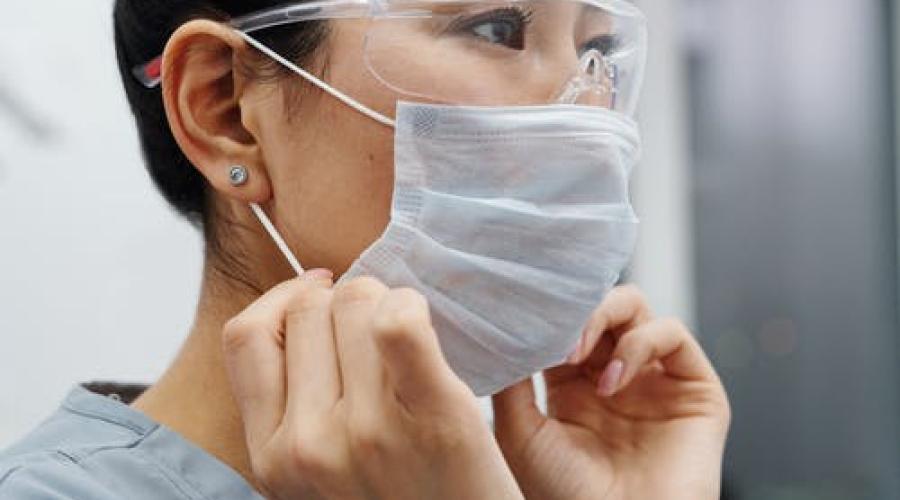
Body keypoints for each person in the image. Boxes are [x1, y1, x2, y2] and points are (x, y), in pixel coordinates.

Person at [0, 1, 731, 498]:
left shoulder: (488, 471)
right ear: (226, 107)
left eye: (597, 49)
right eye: (495, 28)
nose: (587, 109)